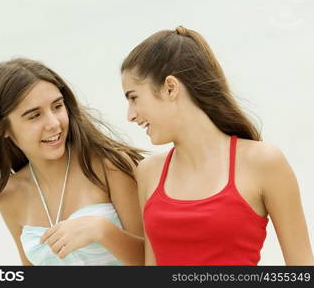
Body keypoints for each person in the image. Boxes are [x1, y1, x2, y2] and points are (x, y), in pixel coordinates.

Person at [120, 25, 314, 266]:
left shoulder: (264, 163)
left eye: (134, 98)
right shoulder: (148, 172)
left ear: (171, 87)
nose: (130, 115)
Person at [0, 58, 144, 265]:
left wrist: (102, 230)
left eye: (57, 106)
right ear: (2, 128)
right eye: (34, 115)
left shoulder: (109, 166)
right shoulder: (9, 195)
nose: (53, 124)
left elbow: (152, 261)